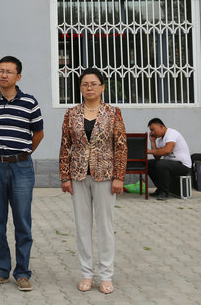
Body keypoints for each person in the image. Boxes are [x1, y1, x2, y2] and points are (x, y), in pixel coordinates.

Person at [0, 55, 44, 292]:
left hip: (21, 168)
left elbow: (38, 134)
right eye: (0, 70)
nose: (3, 75)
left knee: (23, 221)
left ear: (18, 76)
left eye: (9, 71)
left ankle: (22, 272)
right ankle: (0, 270)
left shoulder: (30, 102)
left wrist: (21, 153)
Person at [59, 67, 127, 295]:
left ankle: (106, 275)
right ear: (80, 88)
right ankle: (86, 273)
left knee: (105, 226)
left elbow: (120, 146)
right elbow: (65, 146)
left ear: (102, 87)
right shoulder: (71, 114)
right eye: (85, 84)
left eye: (94, 84)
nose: (89, 88)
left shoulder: (113, 112)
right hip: (78, 175)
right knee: (82, 226)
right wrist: (64, 176)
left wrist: (119, 176)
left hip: (105, 175)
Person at [147, 117, 192, 200]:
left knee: (161, 164)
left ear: (161, 126)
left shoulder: (171, 133)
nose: (152, 132)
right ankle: (160, 189)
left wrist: (150, 151)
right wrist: (152, 141)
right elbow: (157, 157)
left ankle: (165, 192)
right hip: (170, 164)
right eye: (151, 131)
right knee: (149, 164)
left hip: (183, 166)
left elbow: (167, 150)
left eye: (153, 129)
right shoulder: (160, 140)